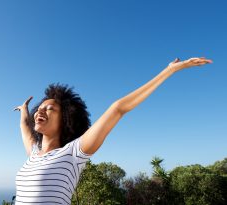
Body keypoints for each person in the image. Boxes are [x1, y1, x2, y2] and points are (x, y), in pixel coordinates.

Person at [13, 57, 212, 204]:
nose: (41, 111)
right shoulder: (33, 153)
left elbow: (118, 108)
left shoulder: (72, 153)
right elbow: (25, 128)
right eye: (39, 109)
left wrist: (169, 71)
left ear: (65, 120)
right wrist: (24, 110)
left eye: (50, 109)